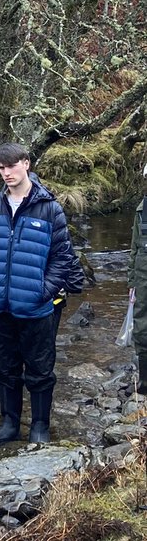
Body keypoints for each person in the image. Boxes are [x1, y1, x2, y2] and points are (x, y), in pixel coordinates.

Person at [0, 143, 76, 445]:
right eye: (1, 168)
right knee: (5, 367)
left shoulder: (49, 207)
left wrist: (44, 291)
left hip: (36, 307)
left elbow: (62, 256)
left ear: (26, 164)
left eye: (11, 166)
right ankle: (9, 424)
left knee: (41, 369)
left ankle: (40, 425)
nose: (6, 173)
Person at [128, 161, 147, 398]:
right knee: (142, 327)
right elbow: (133, 248)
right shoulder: (141, 209)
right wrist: (131, 281)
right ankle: (144, 381)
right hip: (142, 277)